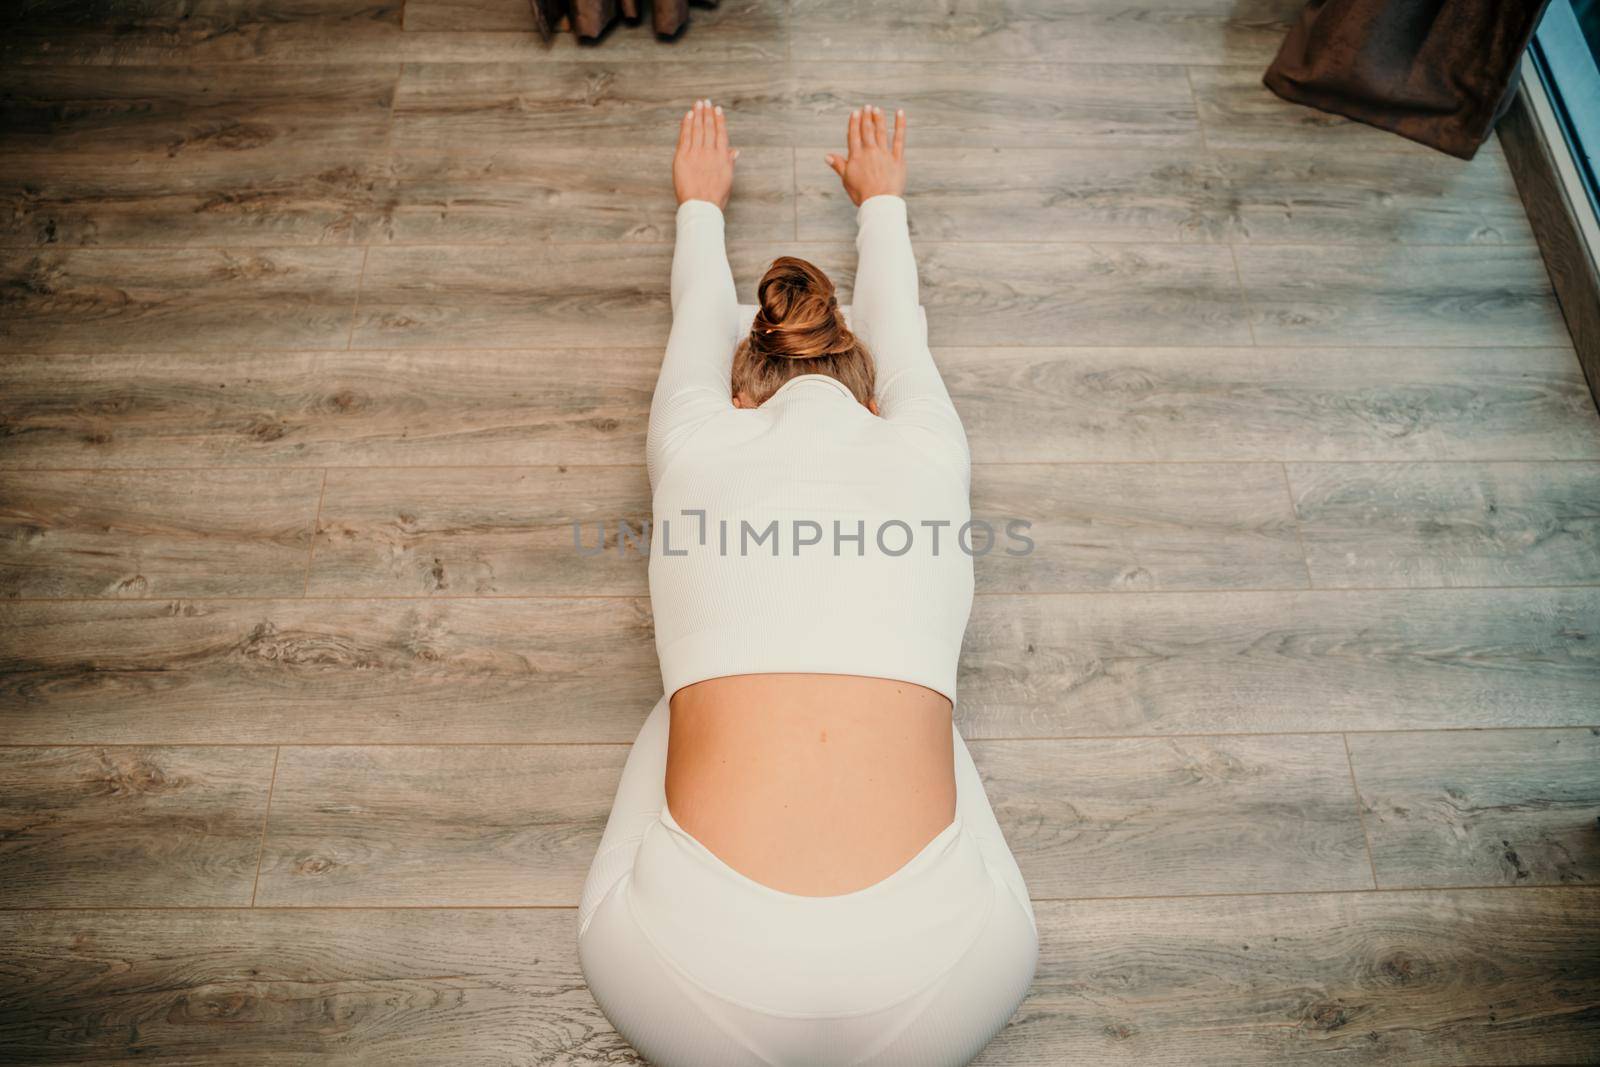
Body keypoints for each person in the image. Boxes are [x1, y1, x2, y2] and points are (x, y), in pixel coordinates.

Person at [576, 97, 1038, 1067]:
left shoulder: (693, 439)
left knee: (673, 708)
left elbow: (697, 318)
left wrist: (698, 204)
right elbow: (900, 326)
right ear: (872, 393)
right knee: (931, 714)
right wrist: (882, 201)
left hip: (690, 976)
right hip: (949, 975)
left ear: (738, 387)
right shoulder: (924, 443)